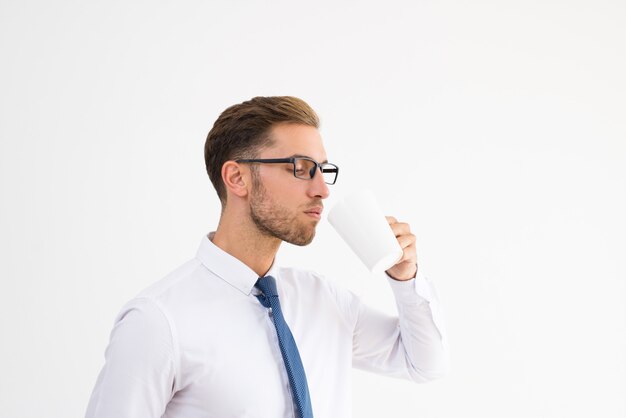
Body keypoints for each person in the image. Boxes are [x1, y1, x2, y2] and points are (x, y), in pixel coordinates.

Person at [85, 96, 449, 418]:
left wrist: (405, 277)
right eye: (302, 168)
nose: (322, 189)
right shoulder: (158, 321)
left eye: (324, 170)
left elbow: (423, 363)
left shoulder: (324, 300)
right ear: (238, 178)